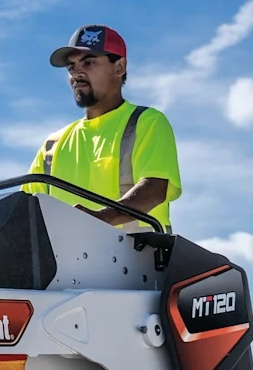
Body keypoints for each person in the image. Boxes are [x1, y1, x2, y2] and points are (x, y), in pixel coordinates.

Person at [21, 24, 183, 231]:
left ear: (119, 67)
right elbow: (25, 208)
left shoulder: (146, 121)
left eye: (88, 63)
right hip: (64, 261)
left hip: (139, 258)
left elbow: (154, 189)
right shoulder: (53, 144)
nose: (76, 73)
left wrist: (98, 220)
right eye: (71, 67)